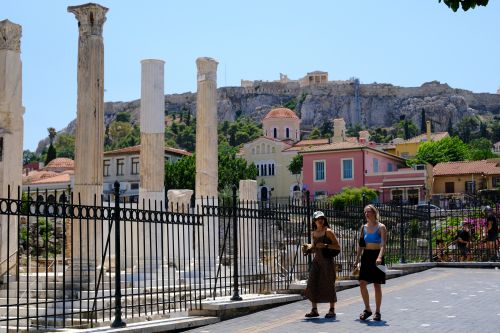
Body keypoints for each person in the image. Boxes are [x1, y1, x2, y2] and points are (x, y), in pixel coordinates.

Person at [304, 211, 341, 319]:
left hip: (327, 261)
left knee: (329, 284)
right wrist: (309, 250)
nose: (320, 220)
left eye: (322, 218)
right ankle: (314, 309)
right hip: (316, 262)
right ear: (314, 221)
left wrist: (325, 245)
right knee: (312, 283)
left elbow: (338, 247)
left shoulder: (328, 232)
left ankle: (332, 309)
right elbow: (316, 248)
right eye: (318, 218)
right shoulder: (314, 233)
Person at [353, 204, 387, 322]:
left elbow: (383, 244)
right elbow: (361, 245)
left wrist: (379, 257)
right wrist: (357, 259)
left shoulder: (381, 227)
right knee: (362, 282)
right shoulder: (364, 227)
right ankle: (367, 309)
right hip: (366, 256)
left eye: (369, 212)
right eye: (365, 212)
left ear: (374, 213)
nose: (366, 214)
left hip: (377, 256)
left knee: (376, 284)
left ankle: (377, 311)